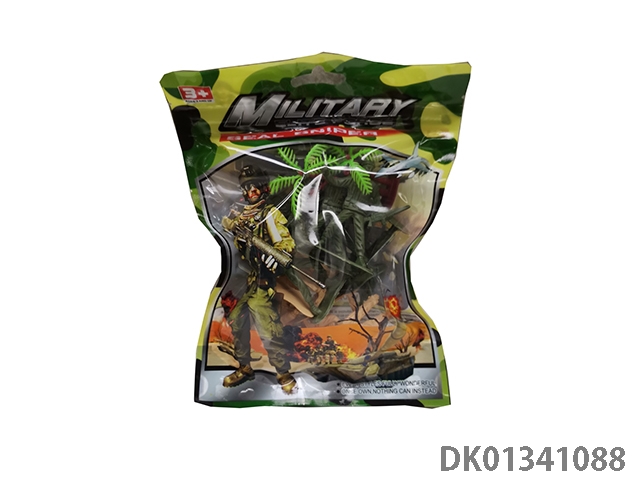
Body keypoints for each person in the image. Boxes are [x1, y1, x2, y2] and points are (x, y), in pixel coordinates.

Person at [220, 165, 297, 394]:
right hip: (252, 279)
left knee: (266, 322)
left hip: (265, 279)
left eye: (255, 186)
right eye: (247, 187)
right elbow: (228, 226)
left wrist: (280, 253)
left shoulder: (269, 214)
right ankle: (244, 367)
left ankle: (283, 373)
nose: (252, 191)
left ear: (264, 188)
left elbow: (284, 240)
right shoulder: (242, 216)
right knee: (237, 318)